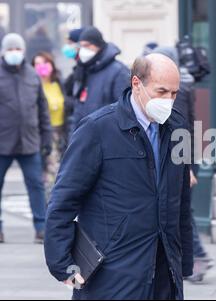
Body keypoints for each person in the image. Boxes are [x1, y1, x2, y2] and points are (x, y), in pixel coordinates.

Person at [44, 53, 194, 300]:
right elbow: (63, 199)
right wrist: (62, 263)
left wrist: (183, 260)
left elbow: (181, 201)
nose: (168, 100)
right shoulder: (97, 129)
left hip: (165, 270)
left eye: (174, 93)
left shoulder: (178, 128)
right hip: (112, 273)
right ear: (137, 84)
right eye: (161, 91)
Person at [152, 46, 214, 282]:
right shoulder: (185, 82)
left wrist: (184, 166)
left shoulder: (176, 88)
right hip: (184, 155)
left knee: (180, 210)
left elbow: (179, 130)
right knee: (180, 209)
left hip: (180, 156)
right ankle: (194, 258)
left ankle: (198, 257)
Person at [0, 33, 52, 244]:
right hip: (2, 142)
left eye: (18, 49)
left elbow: (43, 110)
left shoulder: (32, 75)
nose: (15, 53)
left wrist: (46, 138)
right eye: (11, 49)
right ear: (4, 51)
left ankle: (41, 228)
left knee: (36, 186)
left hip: (29, 142)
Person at [31, 52, 71, 198]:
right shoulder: (33, 85)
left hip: (61, 131)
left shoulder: (59, 84)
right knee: (50, 169)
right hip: (43, 133)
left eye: (44, 63)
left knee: (61, 168)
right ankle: (50, 201)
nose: (41, 67)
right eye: (37, 64)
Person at [71, 26, 129, 127]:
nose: (83, 50)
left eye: (87, 45)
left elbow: (125, 111)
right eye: (81, 46)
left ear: (98, 45)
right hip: (85, 135)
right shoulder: (84, 69)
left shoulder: (118, 71)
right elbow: (78, 108)